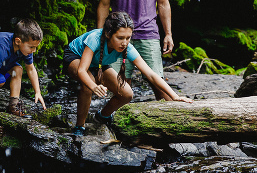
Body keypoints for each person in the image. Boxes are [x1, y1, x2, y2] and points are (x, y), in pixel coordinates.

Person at [63, 12, 191, 135]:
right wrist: (94, 86)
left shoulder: (127, 47)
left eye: (128, 38)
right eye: (120, 38)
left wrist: (175, 96)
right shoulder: (95, 39)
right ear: (108, 34)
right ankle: (80, 126)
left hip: (99, 63)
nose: (124, 42)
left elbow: (150, 74)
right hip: (76, 57)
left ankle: (102, 116)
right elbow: (81, 70)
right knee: (87, 85)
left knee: (127, 94)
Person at [0, 18, 47, 116]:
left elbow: (31, 69)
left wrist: (37, 92)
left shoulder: (26, 48)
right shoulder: (2, 47)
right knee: (0, 81)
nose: (34, 50)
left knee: (18, 69)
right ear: (18, 41)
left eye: (35, 47)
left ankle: (13, 106)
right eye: (32, 47)